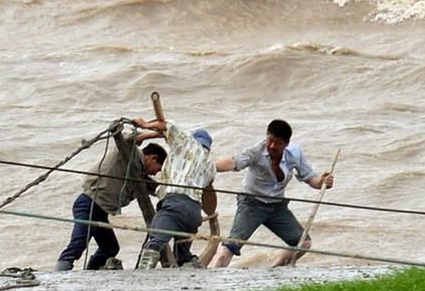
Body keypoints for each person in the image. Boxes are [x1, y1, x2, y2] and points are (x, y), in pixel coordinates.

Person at [210, 119, 334, 267]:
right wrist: (209, 167)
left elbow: (311, 179)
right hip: (251, 204)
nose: (272, 146)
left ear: (286, 144)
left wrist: (322, 182)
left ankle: (276, 270)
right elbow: (233, 162)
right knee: (230, 247)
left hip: (277, 207)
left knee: (303, 243)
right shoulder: (256, 151)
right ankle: (213, 273)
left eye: (278, 143)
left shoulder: (294, 153)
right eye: (270, 141)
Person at [54, 121, 166, 271]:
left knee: (110, 247)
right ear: (152, 158)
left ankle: (90, 272)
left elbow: (157, 189)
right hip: (89, 203)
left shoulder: (139, 175)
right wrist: (156, 133)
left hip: (101, 210)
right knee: (78, 244)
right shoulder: (128, 153)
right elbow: (127, 138)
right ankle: (60, 272)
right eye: (158, 169)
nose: (156, 173)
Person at [131, 116, 215, 270]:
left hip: (175, 204)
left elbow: (166, 125)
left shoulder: (187, 143)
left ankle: (142, 275)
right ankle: (186, 275)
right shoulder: (211, 165)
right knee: (183, 254)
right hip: (194, 213)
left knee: (155, 243)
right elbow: (209, 197)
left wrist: (144, 124)